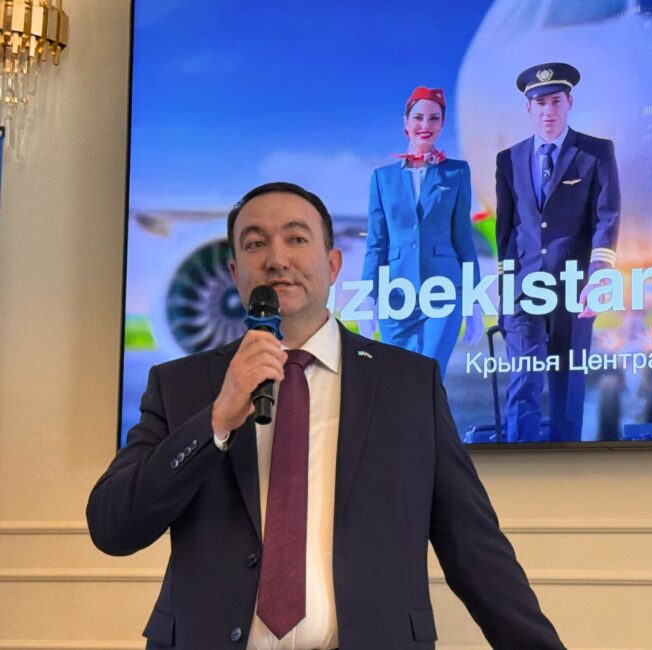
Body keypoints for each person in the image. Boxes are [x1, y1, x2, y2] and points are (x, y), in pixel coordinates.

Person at [87, 182, 564, 649]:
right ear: (234, 271)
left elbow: (474, 550)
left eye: (297, 239)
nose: (277, 259)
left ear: (333, 265)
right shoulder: (180, 385)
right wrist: (214, 422)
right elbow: (113, 527)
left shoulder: (408, 385)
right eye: (255, 244)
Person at [495, 62, 621, 443]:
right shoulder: (508, 159)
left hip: (574, 288)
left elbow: (607, 216)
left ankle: (568, 465)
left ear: (569, 103)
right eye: (540, 103)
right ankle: (521, 461)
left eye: (555, 101)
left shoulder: (595, 152)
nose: (548, 111)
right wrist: (505, 293)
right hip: (524, 289)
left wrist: (598, 275)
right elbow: (506, 231)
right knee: (523, 381)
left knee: (568, 385)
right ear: (528, 108)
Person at [360, 86, 484, 378]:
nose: (425, 125)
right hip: (396, 295)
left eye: (434, 118)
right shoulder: (382, 178)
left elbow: (463, 241)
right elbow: (376, 244)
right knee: (396, 378)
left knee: (429, 375)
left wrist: (474, 301)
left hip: (444, 292)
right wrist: (368, 298)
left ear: (442, 123)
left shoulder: (456, 172)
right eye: (418, 117)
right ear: (406, 122)